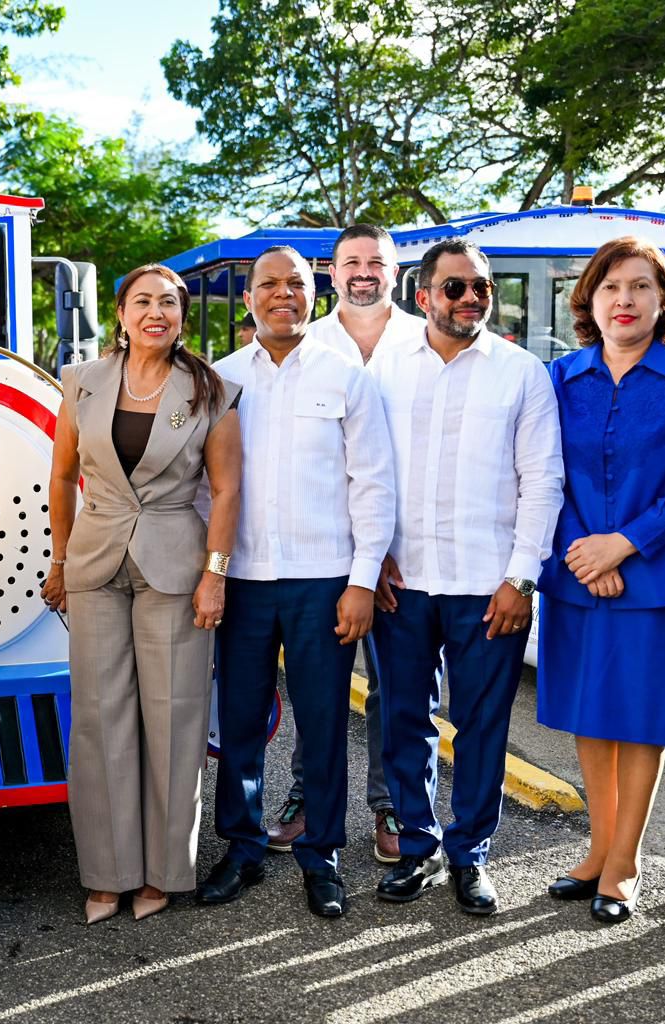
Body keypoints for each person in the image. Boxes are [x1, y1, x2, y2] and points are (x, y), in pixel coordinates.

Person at [43, 263, 242, 924]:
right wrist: (60, 560)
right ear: (122, 313)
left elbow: (227, 491)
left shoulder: (211, 391)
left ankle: (162, 874)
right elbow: (63, 475)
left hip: (176, 567)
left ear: (181, 315)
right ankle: (108, 875)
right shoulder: (82, 384)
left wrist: (214, 573)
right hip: (96, 564)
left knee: (174, 717)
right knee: (100, 719)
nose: (155, 312)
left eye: (168, 302)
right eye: (142, 301)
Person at [200, 247, 395, 918]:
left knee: (323, 722)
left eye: (295, 283)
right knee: (240, 723)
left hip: (324, 583)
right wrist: (212, 571)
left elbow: (373, 486)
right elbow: (205, 491)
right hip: (245, 582)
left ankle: (322, 856)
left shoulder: (348, 380)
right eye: (268, 285)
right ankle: (245, 848)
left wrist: (362, 581)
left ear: (313, 291)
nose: (283, 294)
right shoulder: (220, 381)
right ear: (248, 297)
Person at [370, 239, 563, 915]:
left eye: (481, 287)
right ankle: (416, 848)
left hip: (489, 586)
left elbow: (543, 480)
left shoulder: (521, 373)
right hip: (404, 581)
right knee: (404, 720)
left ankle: (471, 854)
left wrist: (522, 579)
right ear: (422, 296)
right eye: (455, 288)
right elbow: (367, 471)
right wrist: (373, 557)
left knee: (481, 725)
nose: (472, 298)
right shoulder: (385, 369)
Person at [536, 236, 665, 923]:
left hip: (657, 579)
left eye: (640, 287)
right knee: (590, 718)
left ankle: (624, 865)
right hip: (576, 577)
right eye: (610, 287)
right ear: (589, 302)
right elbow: (540, 474)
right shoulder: (559, 379)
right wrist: (581, 551)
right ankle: (597, 850)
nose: (624, 299)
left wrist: (624, 544)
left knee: (641, 720)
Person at [270, 224, 425, 864]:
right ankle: (308, 799)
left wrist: (388, 545)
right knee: (319, 687)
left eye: (376, 263)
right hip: (329, 553)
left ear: (396, 273)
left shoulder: (426, 341)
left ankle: (392, 806)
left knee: (400, 690)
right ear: (332, 274)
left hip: (413, 551)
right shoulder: (307, 340)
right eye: (351, 262)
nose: (364, 272)